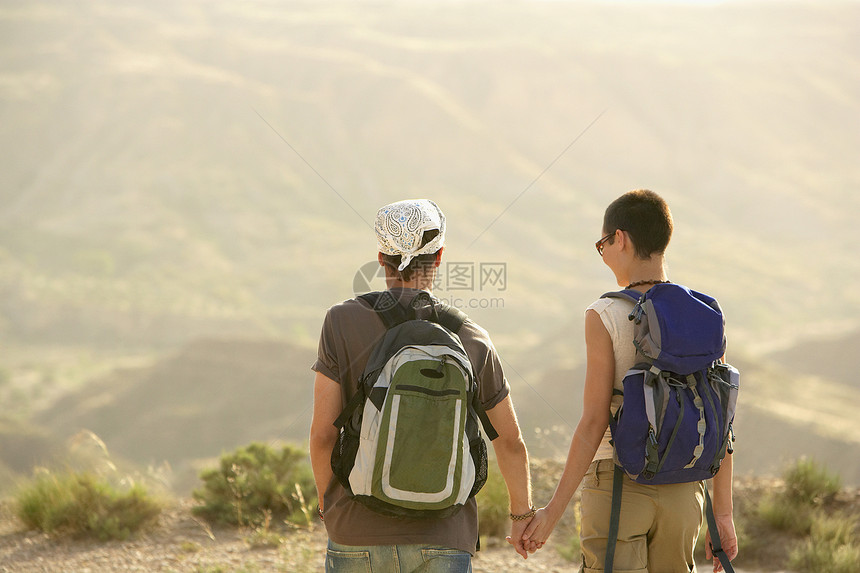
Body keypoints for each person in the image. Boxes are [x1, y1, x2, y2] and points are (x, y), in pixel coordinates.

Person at [309, 199, 535, 572]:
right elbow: (510, 443)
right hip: (444, 536)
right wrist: (522, 515)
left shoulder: (341, 322)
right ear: (440, 256)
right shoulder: (472, 338)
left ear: (381, 257)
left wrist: (328, 503)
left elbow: (322, 437)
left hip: (355, 531)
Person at [522, 190, 738, 572]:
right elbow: (721, 418)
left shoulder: (604, 313)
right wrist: (722, 515)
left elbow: (593, 423)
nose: (603, 252)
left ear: (619, 239)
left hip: (620, 486)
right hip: (685, 492)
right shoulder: (704, 315)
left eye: (602, 244)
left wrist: (551, 513)